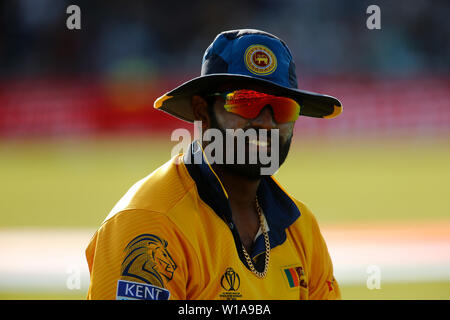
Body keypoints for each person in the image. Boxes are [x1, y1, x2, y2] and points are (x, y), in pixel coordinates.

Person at [86, 29, 343, 300]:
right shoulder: (149, 221)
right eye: (245, 103)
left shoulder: (302, 228)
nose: (266, 123)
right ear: (202, 113)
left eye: (282, 109)